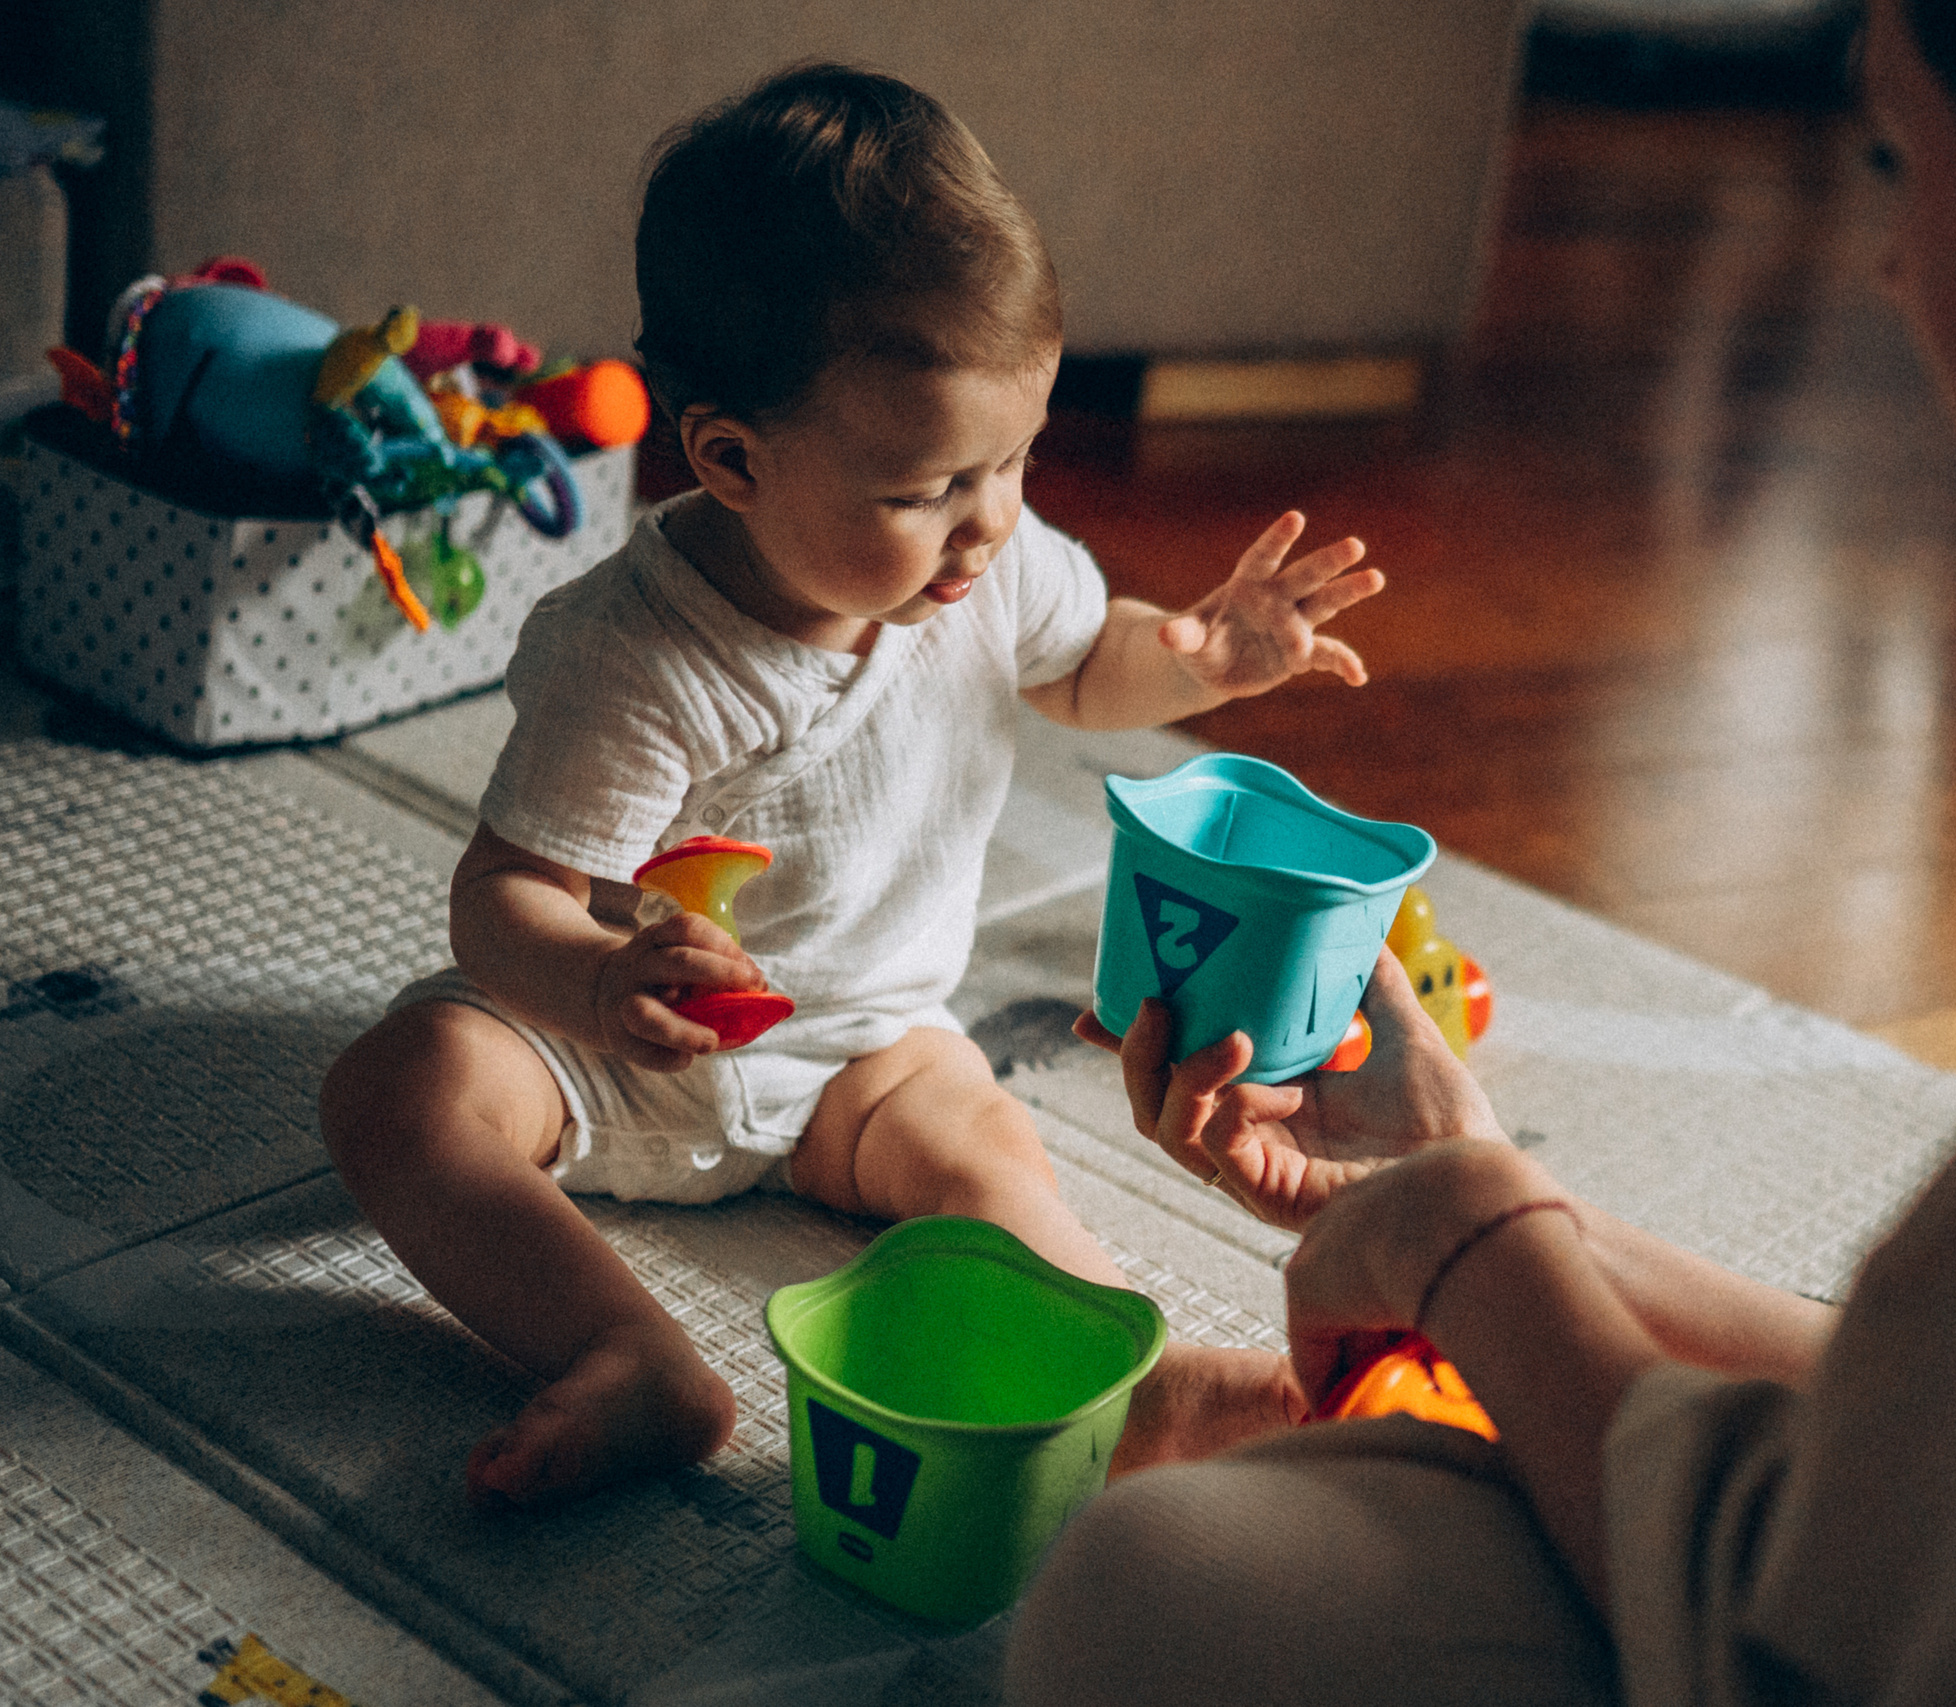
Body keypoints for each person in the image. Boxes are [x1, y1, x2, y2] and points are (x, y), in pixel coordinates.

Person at [1006, 0, 1956, 1700]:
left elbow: (1867, 1641)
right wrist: (1508, 1196)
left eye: (1898, 160)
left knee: (1169, 1586)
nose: (1888, 265)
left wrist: (1473, 1252)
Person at [317, 64, 1383, 1508]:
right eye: (928, 488)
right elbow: (506, 894)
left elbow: (1088, 668)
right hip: (622, 1060)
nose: (992, 520)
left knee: (993, 1150)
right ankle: (625, 1353)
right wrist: (590, 981)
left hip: (869, 1054)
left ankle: (1122, 1385)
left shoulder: (991, 565)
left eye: (1018, 454)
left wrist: (1199, 658)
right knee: (403, 1090)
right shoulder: (635, 655)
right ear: (731, 460)